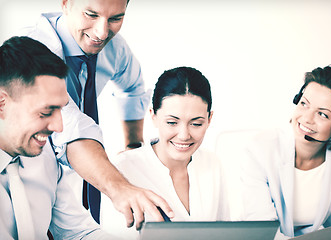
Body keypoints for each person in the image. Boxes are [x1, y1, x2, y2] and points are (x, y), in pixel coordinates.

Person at [17, 0, 172, 227]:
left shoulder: (115, 49)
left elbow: (132, 89)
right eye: (91, 14)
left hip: (69, 191)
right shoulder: (31, 52)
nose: (101, 32)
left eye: (115, 19)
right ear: (66, 4)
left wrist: (133, 146)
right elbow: (69, 127)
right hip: (23, 174)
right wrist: (119, 188)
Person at [0, 36, 118, 239]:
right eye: (46, 112)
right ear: (2, 103)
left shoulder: (44, 158)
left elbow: (79, 233)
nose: (59, 127)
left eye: (60, 110)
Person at [101, 66, 228, 238]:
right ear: (153, 116)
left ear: (209, 119)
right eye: (172, 122)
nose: (184, 135)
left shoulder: (212, 163)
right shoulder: (123, 170)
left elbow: (224, 233)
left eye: (196, 123)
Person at [238, 65, 331, 239]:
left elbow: (324, 205)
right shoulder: (260, 150)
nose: (306, 118)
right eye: (304, 104)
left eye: (322, 114)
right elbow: (264, 229)